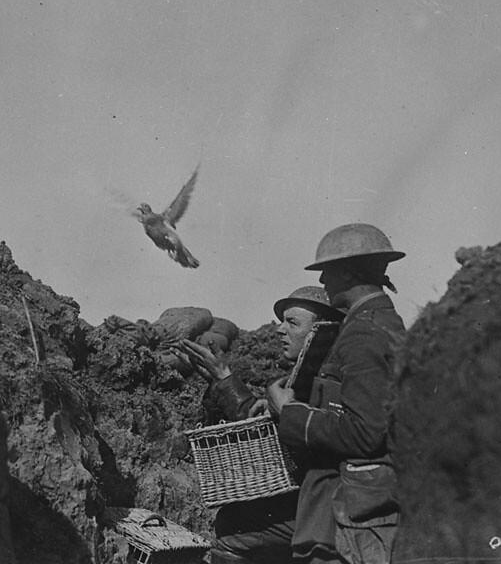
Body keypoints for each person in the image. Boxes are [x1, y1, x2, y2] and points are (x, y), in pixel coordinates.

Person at [267, 223, 407, 564]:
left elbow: (365, 432)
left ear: (347, 271)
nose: (322, 280)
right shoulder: (380, 322)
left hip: (354, 512)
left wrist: (290, 412)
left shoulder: (364, 333)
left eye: (326, 271)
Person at [173, 286, 345, 564]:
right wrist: (220, 380)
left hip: (329, 509)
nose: (279, 330)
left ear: (320, 330)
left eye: (292, 323)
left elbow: (284, 447)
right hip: (320, 500)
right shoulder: (315, 374)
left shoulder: (330, 381)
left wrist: (225, 379)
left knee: (234, 528)